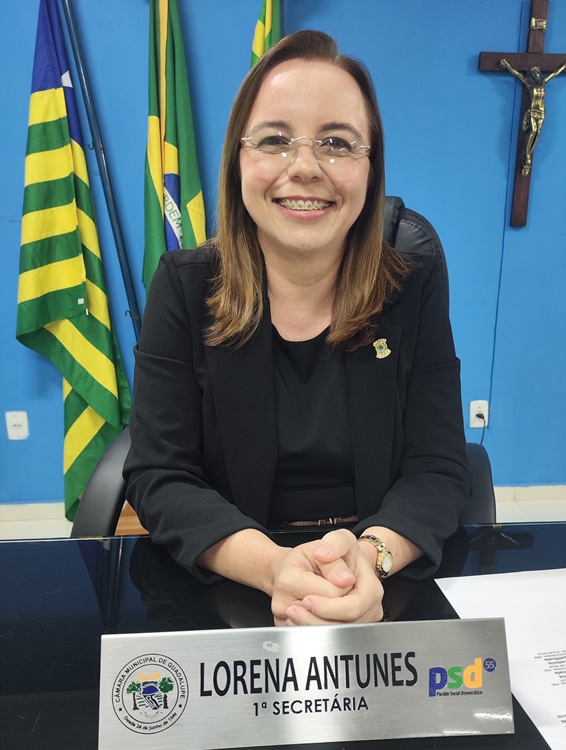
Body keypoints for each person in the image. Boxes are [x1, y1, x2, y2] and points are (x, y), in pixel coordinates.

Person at [124, 30, 470, 627]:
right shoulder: (184, 286)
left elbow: (437, 467)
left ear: (370, 167)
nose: (305, 167)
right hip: (234, 586)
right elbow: (161, 474)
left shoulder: (413, 285)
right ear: (238, 160)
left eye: (337, 142)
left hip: (377, 587)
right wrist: (274, 568)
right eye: (274, 140)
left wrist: (368, 558)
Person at [499, 58, 566, 175]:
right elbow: (517, 74)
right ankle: (527, 156)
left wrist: (564, 66)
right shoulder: (529, 84)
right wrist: (507, 65)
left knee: (537, 133)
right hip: (533, 110)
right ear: (532, 75)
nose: (537, 75)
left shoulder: (543, 82)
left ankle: (528, 155)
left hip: (542, 111)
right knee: (533, 131)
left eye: (538, 73)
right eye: (535, 73)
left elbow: (554, 74)